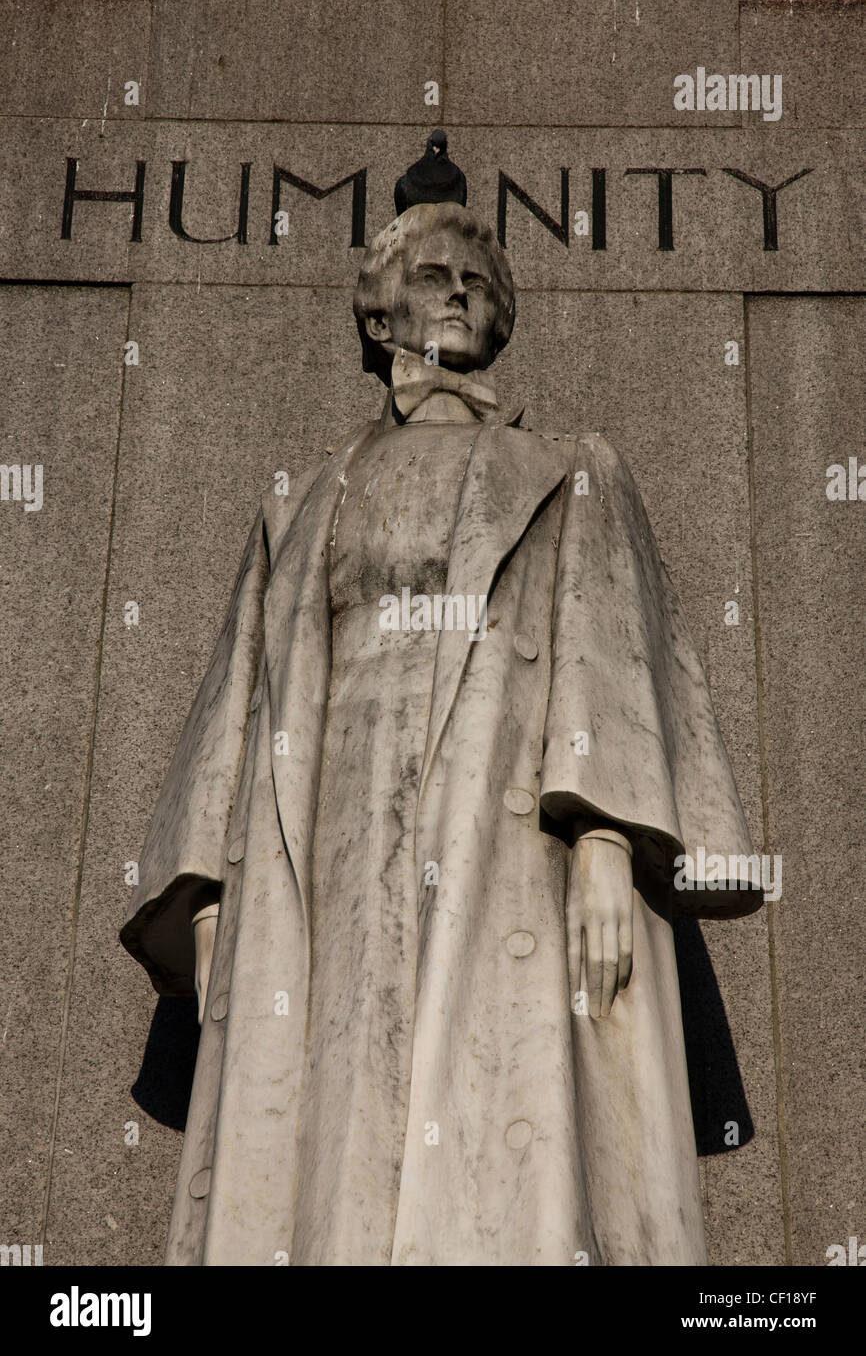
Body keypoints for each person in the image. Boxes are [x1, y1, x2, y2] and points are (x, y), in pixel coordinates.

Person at [121, 199, 762, 1266]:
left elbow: (610, 653)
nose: (459, 290)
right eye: (431, 275)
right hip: (334, 844)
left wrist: (607, 839)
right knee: (334, 1146)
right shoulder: (303, 500)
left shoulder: (573, 467)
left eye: (476, 278)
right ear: (378, 321)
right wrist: (207, 897)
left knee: (503, 1145)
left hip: (509, 833)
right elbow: (242, 697)